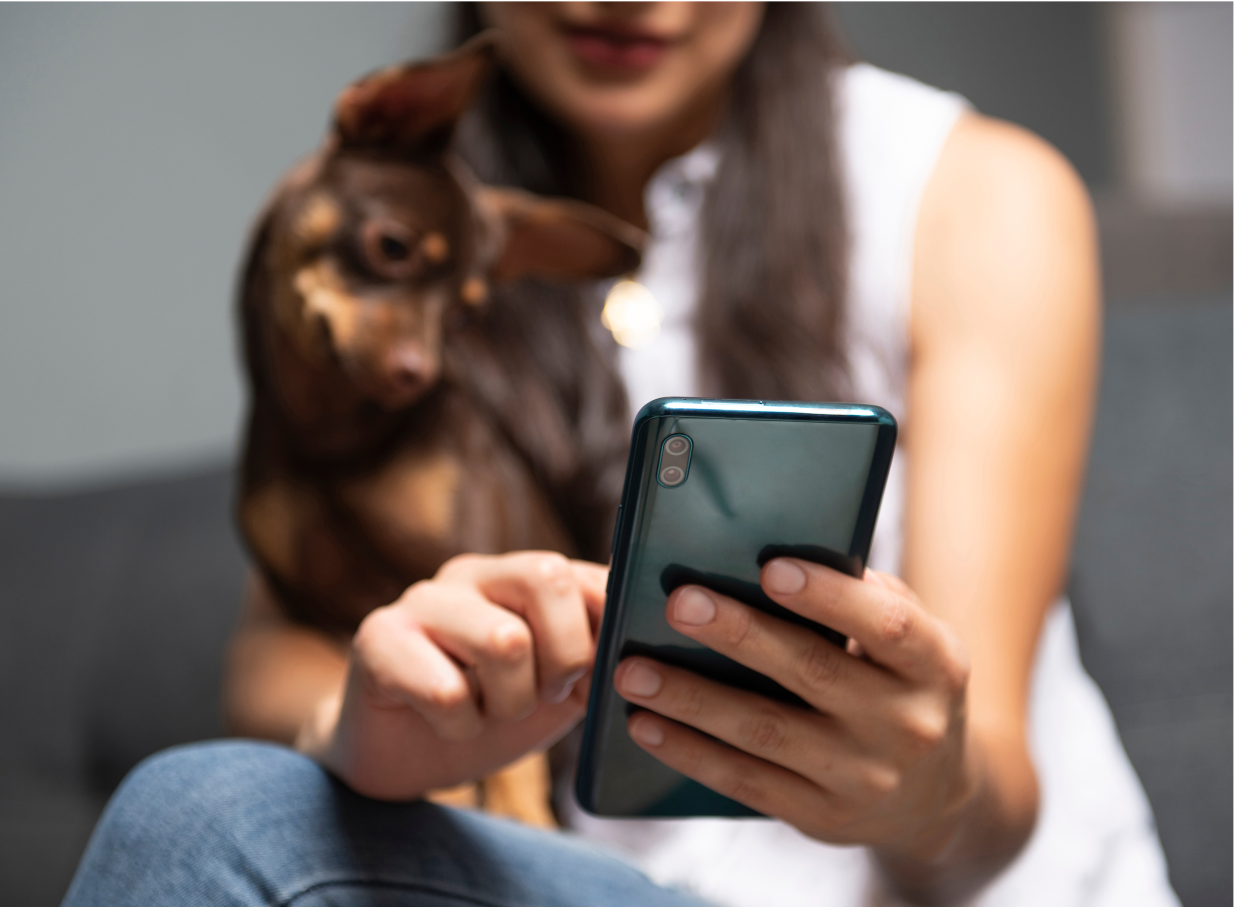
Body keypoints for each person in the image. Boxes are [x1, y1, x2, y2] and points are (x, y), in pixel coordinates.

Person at [63, 3, 1177, 905]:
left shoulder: (968, 194)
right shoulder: (378, 230)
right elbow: (276, 648)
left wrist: (927, 794)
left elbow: (991, 815)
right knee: (205, 807)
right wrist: (368, 728)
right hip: (568, 879)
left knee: (199, 817)